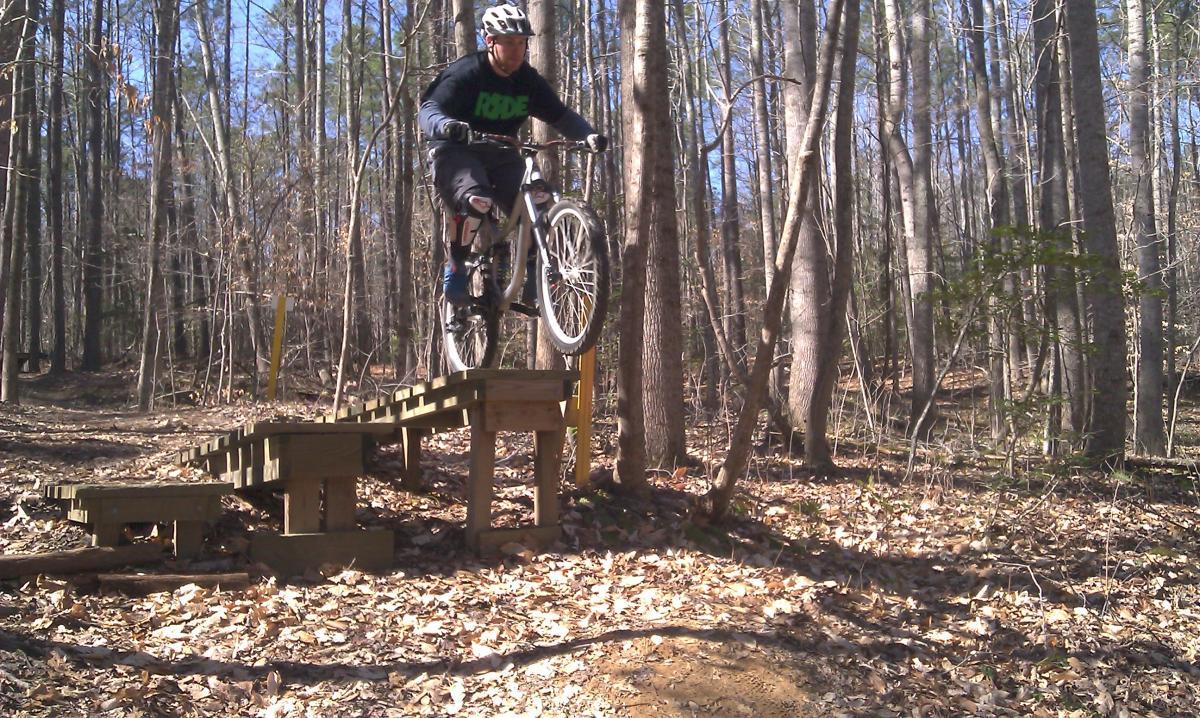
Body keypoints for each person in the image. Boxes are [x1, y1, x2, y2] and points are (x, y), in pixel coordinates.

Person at [418, 3, 607, 306]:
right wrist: (447, 125)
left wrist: (587, 135)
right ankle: (456, 264)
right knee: (477, 200)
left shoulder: (527, 82)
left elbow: (560, 115)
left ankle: (537, 271)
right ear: (490, 42)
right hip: (455, 151)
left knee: (540, 200)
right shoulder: (467, 73)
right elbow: (428, 109)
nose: (517, 51)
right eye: (509, 43)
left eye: (522, 43)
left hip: (502, 152)